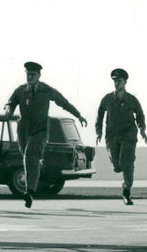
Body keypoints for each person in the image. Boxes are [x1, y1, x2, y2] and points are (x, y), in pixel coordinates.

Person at [5, 61, 87, 208]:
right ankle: (39, 165)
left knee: (29, 155)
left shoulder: (46, 90)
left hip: (40, 131)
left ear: (39, 75)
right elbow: (10, 103)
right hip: (23, 130)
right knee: (28, 157)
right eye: (28, 74)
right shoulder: (20, 90)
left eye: (33, 74)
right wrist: (8, 110)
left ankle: (29, 191)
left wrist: (78, 115)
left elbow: (63, 102)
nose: (30, 76)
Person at [95, 68, 147, 205]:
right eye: (115, 81)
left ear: (125, 82)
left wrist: (142, 129)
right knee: (117, 166)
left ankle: (126, 191)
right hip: (112, 136)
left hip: (128, 134)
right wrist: (98, 131)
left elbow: (140, 115)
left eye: (119, 81)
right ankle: (119, 167)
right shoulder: (107, 99)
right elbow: (99, 115)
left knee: (127, 163)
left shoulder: (131, 99)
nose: (117, 84)